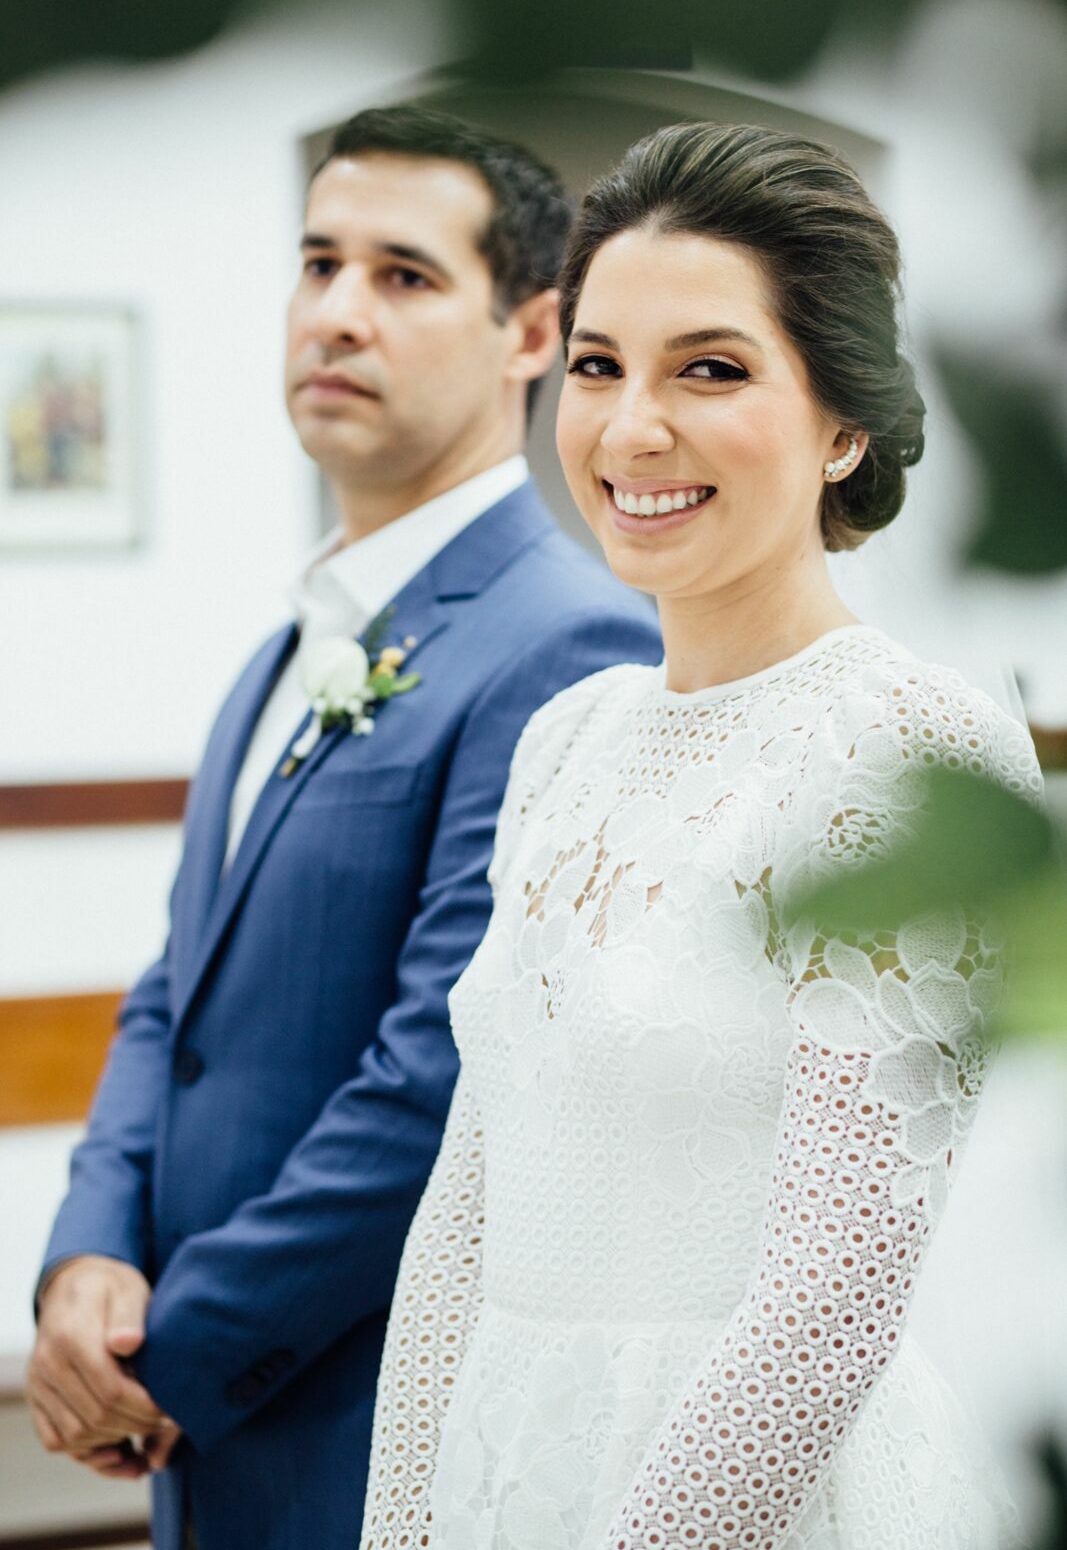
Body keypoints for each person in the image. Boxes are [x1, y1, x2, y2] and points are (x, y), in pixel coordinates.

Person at [358, 122, 1043, 1549]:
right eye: (597, 366)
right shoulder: (567, 739)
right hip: (507, 1473)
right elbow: (464, 1204)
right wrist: (402, 1524)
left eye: (710, 370)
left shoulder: (909, 747)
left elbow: (827, 1307)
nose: (630, 430)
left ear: (843, 424)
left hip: (753, 1498)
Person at [28, 105, 661, 1550]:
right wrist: (84, 1264)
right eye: (319, 264)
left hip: (368, 1434)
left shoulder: (567, 645)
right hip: (209, 1437)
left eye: (405, 275)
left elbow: (442, 1080)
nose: (337, 313)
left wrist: (170, 1352)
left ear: (530, 333)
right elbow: (173, 998)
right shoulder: (284, 652)